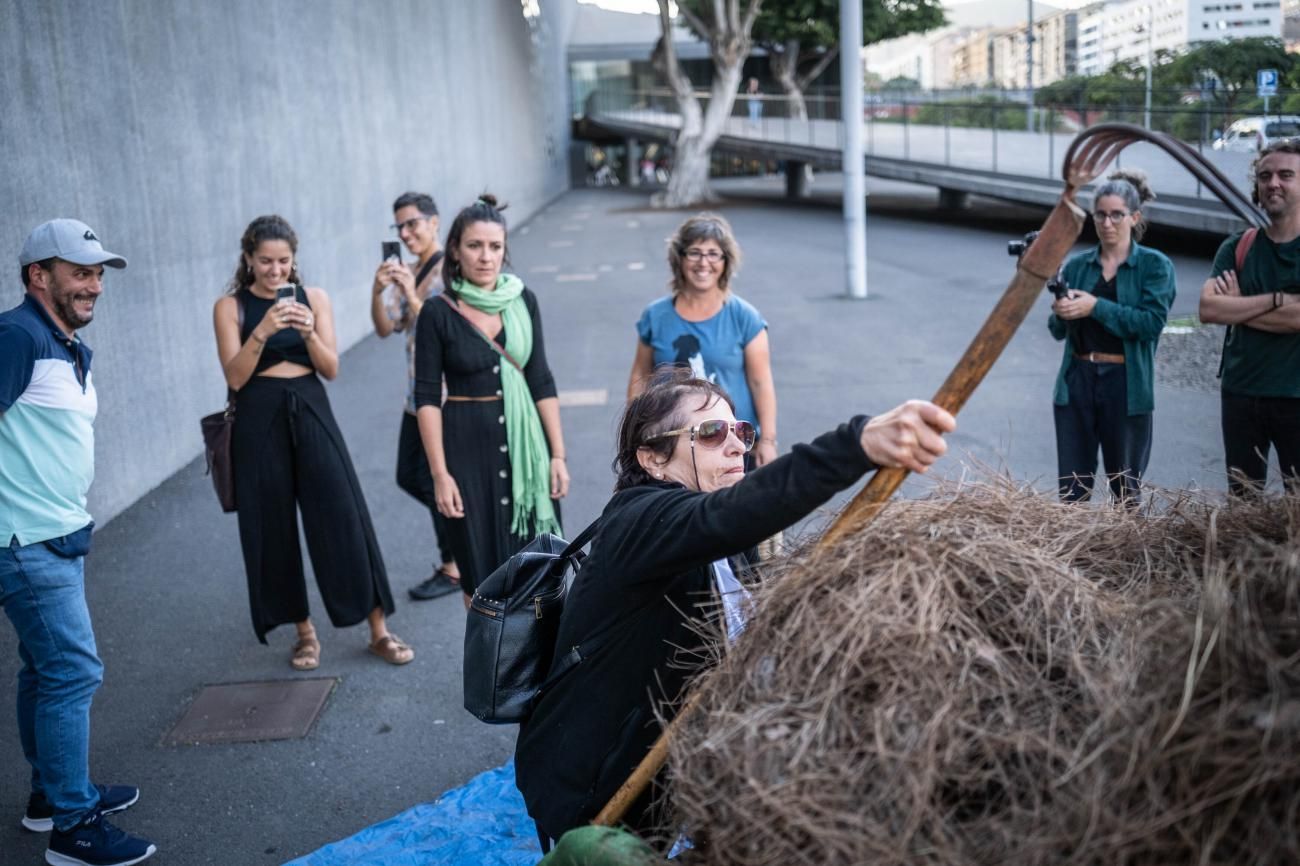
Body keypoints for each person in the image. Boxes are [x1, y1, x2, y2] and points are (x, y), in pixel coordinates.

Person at [515, 369, 955, 841]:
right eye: (710, 433)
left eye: (741, 431)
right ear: (652, 459)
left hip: (672, 761)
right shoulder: (639, 524)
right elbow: (729, 516)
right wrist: (857, 445)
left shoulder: (721, 528)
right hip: (596, 780)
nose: (737, 446)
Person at [2, 219, 156, 865]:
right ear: (40, 276)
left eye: (97, 272)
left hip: (54, 535)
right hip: (26, 541)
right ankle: (73, 825)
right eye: (79, 272)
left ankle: (50, 798)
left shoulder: (58, 340)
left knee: (45, 671)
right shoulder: (17, 336)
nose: (93, 283)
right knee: (73, 671)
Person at [212, 215, 412, 669]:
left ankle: (378, 629)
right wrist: (262, 330)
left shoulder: (315, 298)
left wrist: (305, 330)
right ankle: (304, 633)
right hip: (258, 415)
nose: (275, 270)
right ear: (248, 259)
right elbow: (235, 376)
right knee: (274, 525)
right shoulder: (230, 307)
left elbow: (331, 367)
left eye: (283, 261)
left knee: (343, 514)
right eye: (265, 261)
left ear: (294, 260)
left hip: (311, 405)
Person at [413, 195, 569, 606]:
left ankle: (536, 669)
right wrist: (440, 475)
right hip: (466, 456)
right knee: (480, 585)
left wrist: (558, 456)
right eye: (475, 246)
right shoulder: (437, 312)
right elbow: (426, 397)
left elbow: (541, 378)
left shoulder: (523, 300)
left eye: (495, 247)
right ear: (455, 250)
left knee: (539, 575)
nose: (486, 257)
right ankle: (491, 668)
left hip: (528, 454)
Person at [1048, 169, 1175, 504]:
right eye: (1101, 215)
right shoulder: (1078, 266)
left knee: (1125, 489)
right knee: (1072, 489)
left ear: (1134, 217)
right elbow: (1056, 331)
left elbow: (1150, 325)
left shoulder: (1155, 266)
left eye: (1116, 215)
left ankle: (1126, 556)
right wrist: (1061, 311)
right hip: (1078, 378)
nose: (1107, 223)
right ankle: (1072, 555)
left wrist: (1095, 307)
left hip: (1125, 381)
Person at [628, 214, 778, 468]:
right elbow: (640, 376)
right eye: (694, 252)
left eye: (713, 254)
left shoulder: (744, 317)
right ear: (680, 258)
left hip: (731, 444)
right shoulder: (655, 316)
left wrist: (768, 441)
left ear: (725, 261)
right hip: (671, 446)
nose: (703, 262)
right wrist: (634, 436)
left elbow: (760, 382)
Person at [371, 191, 461, 600]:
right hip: (415, 394)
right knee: (410, 475)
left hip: (443, 397)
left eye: (413, 223)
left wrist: (411, 294)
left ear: (434, 222)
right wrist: (378, 291)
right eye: (400, 226)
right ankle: (461, 544)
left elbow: (448, 329)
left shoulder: (450, 271)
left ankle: (455, 563)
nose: (406, 233)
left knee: (433, 479)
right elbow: (385, 327)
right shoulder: (407, 268)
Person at [1199, 139, 1300, 494]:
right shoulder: (1238, 246)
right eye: (1265, 176)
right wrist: (1277, 299)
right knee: (1242, 504)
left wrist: (1240, 307)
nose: (1273, 183)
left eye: (1286, 175)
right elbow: (1209, 309)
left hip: (1295, 395)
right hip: (1241, 394)